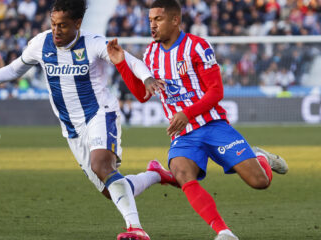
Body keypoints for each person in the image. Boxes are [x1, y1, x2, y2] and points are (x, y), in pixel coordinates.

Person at [0, 0, 177, 239]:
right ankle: (157, 174)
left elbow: (129, 59)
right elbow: (15, 69)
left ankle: (135, 228)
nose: (56, 30)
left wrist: (146, 78)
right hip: (71, 129)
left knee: (101, 166)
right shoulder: (41, 44)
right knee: (110, 189)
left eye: (62, 25)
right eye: (53, 24)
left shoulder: (93, 43)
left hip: (100, 113)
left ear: (77, 23)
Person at [106, 0, 288, 240]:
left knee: (259, 182)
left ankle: (261, 157)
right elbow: (141, 95)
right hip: (184, 134)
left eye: (158, 19)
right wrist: (121, 64)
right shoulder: (150, 54)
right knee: (182, 173)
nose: (152, 25)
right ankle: (223, 232)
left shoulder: (197, 47)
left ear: (175, 20)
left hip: (213, 125)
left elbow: (216, 91)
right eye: (150, 20)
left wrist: (187, 113)